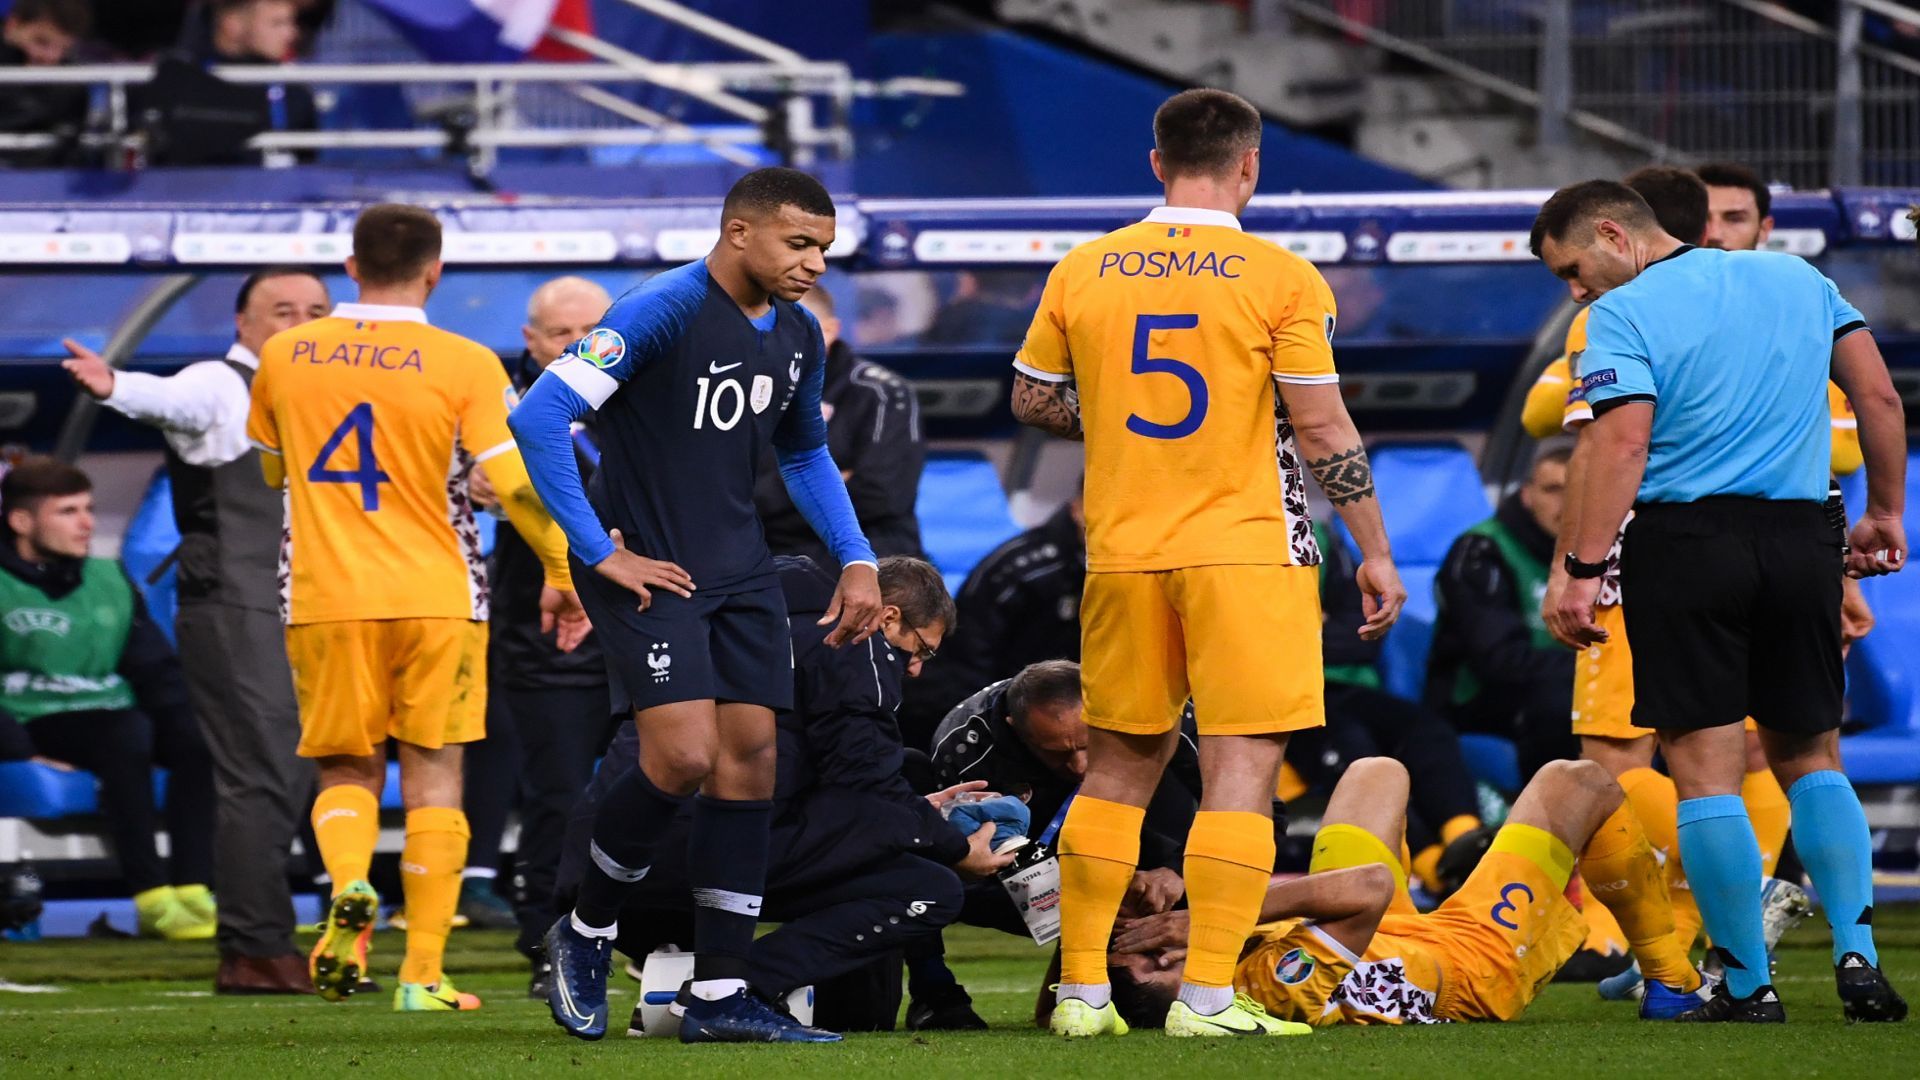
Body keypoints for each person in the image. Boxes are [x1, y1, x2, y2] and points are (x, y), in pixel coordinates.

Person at [1011, 87, 1407, 1038]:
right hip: (1244, 550)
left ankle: (1080, 996)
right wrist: (1376, 551)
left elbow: (1031, 398)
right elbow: (1320, 426)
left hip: (1123, 553)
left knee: (1114, 771)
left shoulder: (1085, 267)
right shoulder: (1279, 277)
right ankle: (1208, 999)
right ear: (1249, 166)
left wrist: (1104, 416)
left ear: (1156, 163)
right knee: (1240, 771)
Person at [512, 167, 885, 1045]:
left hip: (741, 570)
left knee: (750, 760)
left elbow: (804, 457)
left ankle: (718, 995)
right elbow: (541, 416)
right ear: (738, 232)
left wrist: (858, 558)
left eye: (824, 249)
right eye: (799, 244)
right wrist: (602, 551)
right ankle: (588, 927)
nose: (814, 264)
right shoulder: (661, 308)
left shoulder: (797, 334)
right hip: (651, 570)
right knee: (680, 758)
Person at [1534, 179, 1909, 1022]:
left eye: (1573, 267)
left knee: (1703, 772)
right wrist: (1885, 511)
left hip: (1687, 544)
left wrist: (1584, 567)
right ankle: (1858, 956)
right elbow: (1880, 399)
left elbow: (1622, 438)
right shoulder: (1798, 280)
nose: (1576, 289)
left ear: (1612, 234)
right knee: (1811, 756)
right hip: (1803, 537)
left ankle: (1746, 983)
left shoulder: (1619, 316)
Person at [247, 203, 587, 1014]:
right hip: (438, 595)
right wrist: (562, 571)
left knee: (344, 766)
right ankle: (422, 974)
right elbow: (515, 484)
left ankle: (352, 885)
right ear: (436, 272)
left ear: (350, 267)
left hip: (325, 595)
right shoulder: (465, 361)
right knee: (435, 775)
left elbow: (270, 472)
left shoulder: (286, 355)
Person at [556, 555, 1007, 1033]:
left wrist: (914, 814)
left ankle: (674, 975)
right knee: (928, 888)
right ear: (888, 614)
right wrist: (954, 846)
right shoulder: (855, 640)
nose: (915, 668)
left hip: (605, 865)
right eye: (921, 650)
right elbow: (865, 782)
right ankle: (727, 989)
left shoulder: (726, 605)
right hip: (717, 846)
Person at [62, 267, 330, 994]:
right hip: (237, 602)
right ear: (243, 324)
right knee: (263, 769)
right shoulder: (220, 383)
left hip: (308, 606)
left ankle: (276, 938)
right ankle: (255, 948)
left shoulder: (324, 399)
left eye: (315, 310)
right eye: (282, 310)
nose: (299, 322)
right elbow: (169, 400)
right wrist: (116, 384)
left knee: (296, 768)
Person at [1105, 756, 1701, 1028]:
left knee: (1375, 771)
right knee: (1579, 782)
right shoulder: (1265, 993)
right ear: (1162, 968)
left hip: (1384, 933)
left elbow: (1069, 996)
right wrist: (1213, 913)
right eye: (1149, 946)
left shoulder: (1207, 968)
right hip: (1471, 964)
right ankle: (1672, 978)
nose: (1161, 935)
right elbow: (1371, 886)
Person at [471, 275, 619, 991]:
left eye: (591, 330)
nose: (579, 345)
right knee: (556, 795)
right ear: (531, 343)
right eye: (563, 335)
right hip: (546, 630)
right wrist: (470, 483)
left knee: (657, 785)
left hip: (638, 619)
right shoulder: (494, 412)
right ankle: (545, 941)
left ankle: (648, 935)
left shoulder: (645, 395)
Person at [0, 458, 216, 942]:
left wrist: (189, 720)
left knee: (193, 736)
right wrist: (20, 752)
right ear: (21, 522)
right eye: (68, 511)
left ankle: (196, 889)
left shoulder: (109, 578)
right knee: (126, 730)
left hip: (113, 715)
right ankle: (151, 898)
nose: (87, 523)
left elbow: (155, 669)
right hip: (34, 719)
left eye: (90, 509)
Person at [920, 661, 1199, 1029]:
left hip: (1147, 829)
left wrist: (1181, 872)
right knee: (928, 875)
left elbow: (1257, 810)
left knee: (1194, 866)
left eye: (1088, 743)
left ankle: (1202, 977)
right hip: (1029, 855)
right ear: (1015, 729)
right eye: (1058, 753)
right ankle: (935, 994)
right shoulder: (967, 751)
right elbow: (981, 874)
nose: (1081, 765)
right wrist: (1084, 903)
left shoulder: (1154, 708)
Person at [1299, 519, 1486, 897]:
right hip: (1280, 697)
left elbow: (1363, 633)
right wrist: (1312, 628)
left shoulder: (1316, 535)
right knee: (1356, 751)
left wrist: (1299, 632)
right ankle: (1435, 868)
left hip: (1343, 685)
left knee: (1425, 729)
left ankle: (1469, 844)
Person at [1428, 448, 1579, 784]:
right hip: (1478, 698)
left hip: (1571, 683)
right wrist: (1598, 669)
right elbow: (1499, 660)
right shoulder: (1482, 551)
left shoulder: (1606, 553)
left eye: (1578, 490)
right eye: (1553, 490)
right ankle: (1550, 823)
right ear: (1526, 495)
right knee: (1561, 705)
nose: (1567, 504)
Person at [754, 286, 926, 567]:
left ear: (829, 331)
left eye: (788, 329)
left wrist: (769, 499)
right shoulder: (744, 389)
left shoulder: (881, 392)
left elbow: (881, 496)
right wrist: (830, 481)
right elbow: (728, 496)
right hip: (767, 553)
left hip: (871, 555)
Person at [902, 491, 1083, 743]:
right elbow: (967, 656)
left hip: (1049, 704)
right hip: (975, 708)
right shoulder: (1024, 570)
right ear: (1078, 507)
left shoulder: (1108, 573)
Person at [0, 0, 92, 167]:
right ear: (12, 25)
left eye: (63, 48)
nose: (52, 57)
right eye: (41, 42)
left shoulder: (72, 85)